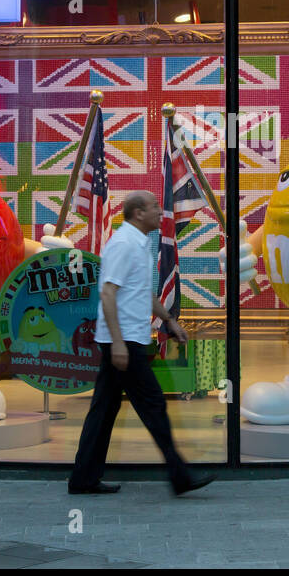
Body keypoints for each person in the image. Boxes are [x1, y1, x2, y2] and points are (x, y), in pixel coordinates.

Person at [68, 190, 215, 497]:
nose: (160, 212)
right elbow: (107, 293)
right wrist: (119, 344)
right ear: (137, 213)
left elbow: (143, 294)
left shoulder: (137, 243)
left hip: (124, 341)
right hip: (124, 343)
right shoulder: (123, 244)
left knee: (104, 411)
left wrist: (169, 321)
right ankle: (180, 475)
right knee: (153, 406)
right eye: (154, 208)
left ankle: (83, 479)